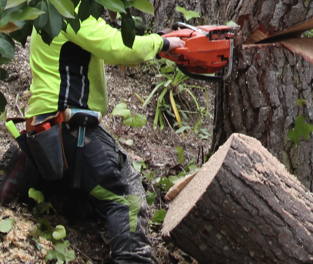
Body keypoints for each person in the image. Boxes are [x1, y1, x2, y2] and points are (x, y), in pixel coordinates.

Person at [0, 17, 182, 264]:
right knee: (125, 194)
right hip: (70, 131)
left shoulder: (48, 8)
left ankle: (28, 175)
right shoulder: (72, 10)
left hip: (41, 130)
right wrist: (160, 43)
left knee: (86, 204)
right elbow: (118, 46)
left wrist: (158, 43)